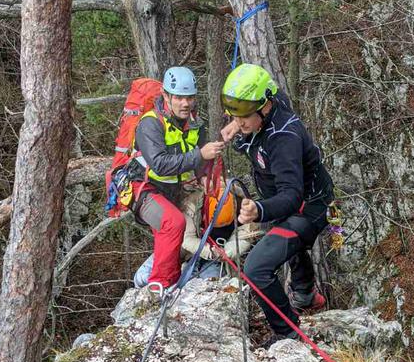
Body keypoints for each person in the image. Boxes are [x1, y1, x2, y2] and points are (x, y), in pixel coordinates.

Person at [220, 63, 334, 344]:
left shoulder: (284, 138)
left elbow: (292, 195)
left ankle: (289, 334)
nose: (239, 122)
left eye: (244, 116)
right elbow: (260, 89)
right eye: (235, 115)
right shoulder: (268, 102)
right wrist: (237, 120)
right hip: (284, 200)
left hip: (306, 208)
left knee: (256, 269)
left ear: (265, 107)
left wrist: (259, 209)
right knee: (291, 248)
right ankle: (306, 295)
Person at [129, 66, 224, 294]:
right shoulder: (151, 124)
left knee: (183, 228)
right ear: (166, 96)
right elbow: (160, 164)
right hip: (144, 189)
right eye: (179, 97)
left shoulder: (193, 124)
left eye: (189, 97)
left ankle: (170, 278)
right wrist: (200, 155)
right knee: (173, 223)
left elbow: (200, 160)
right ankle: (160, 285)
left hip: (172, 189)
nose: (185, 103)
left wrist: (205, 178)